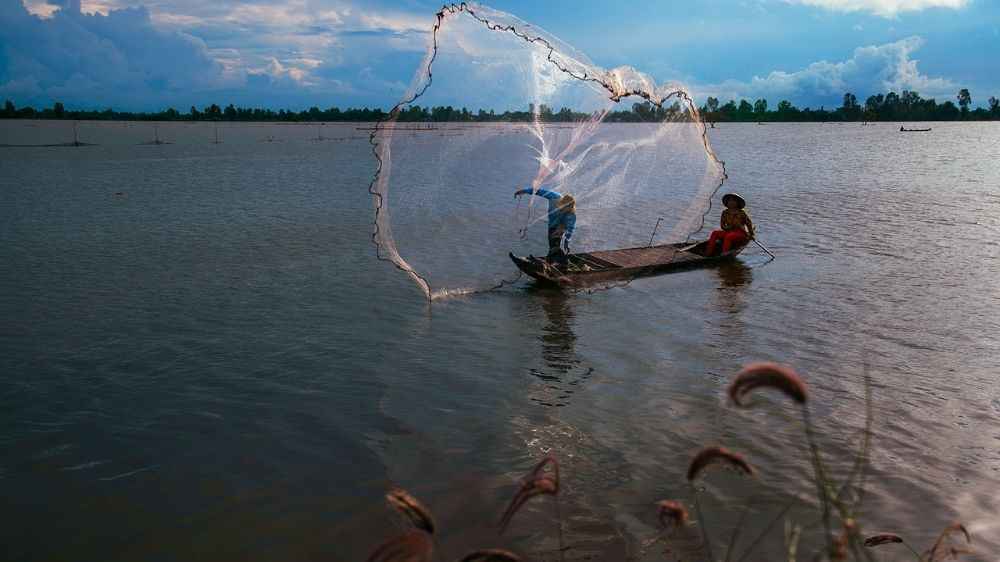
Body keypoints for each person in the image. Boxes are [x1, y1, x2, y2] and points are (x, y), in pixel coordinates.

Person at [514, 187, 576, 265]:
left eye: (567, 208)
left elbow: (570, 229)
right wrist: (523, 191)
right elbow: (539, 191)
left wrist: (567, 242)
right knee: (552, 245)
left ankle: (562, 263)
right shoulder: (554, 196)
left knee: (555, 246)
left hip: (560, 228)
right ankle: (551, 262)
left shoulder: (571, 213)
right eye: (563, 207)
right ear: (561, 202)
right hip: (551, 226)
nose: (563, 209)